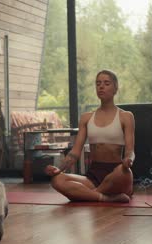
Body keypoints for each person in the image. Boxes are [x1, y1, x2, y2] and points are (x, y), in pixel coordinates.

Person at [44, 69, 135, 203]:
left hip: (117, 173)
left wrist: (128, 160)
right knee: (58, 180)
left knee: (122, 172)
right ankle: (103, 197)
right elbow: (75, 153)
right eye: (98, 83)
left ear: (115, 88)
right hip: (93, 176)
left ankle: (86, 195)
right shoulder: (86, 118)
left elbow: (130, 151)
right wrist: (59, 169)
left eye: (106, 83)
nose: (101, 86)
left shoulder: (126, 116)